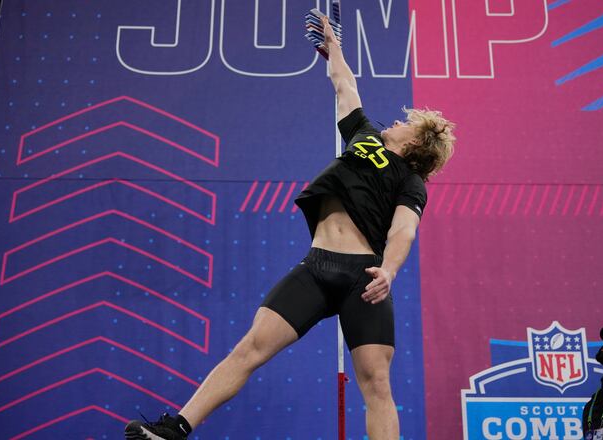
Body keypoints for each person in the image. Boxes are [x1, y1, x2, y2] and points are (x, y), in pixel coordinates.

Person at [125, 14, 455, 440]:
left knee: (376, 385)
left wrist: (388, 271)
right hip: (316, 268)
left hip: (364, 279)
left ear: (415, 142)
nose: (396, 121)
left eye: (406, 123)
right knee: (250, 348)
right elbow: (345, 85)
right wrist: (335, 49)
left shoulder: (409, 182)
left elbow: (403, 231)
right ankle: (174, 430)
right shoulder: (364, 135)